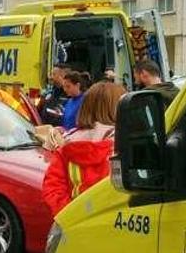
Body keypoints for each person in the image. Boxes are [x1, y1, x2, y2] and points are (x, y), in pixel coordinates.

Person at [42, 82, 127, 215]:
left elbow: (53, 188)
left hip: (77, 222)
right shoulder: (125, 143)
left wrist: (70, 216)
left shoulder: (66, 143)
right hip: (115, 222)